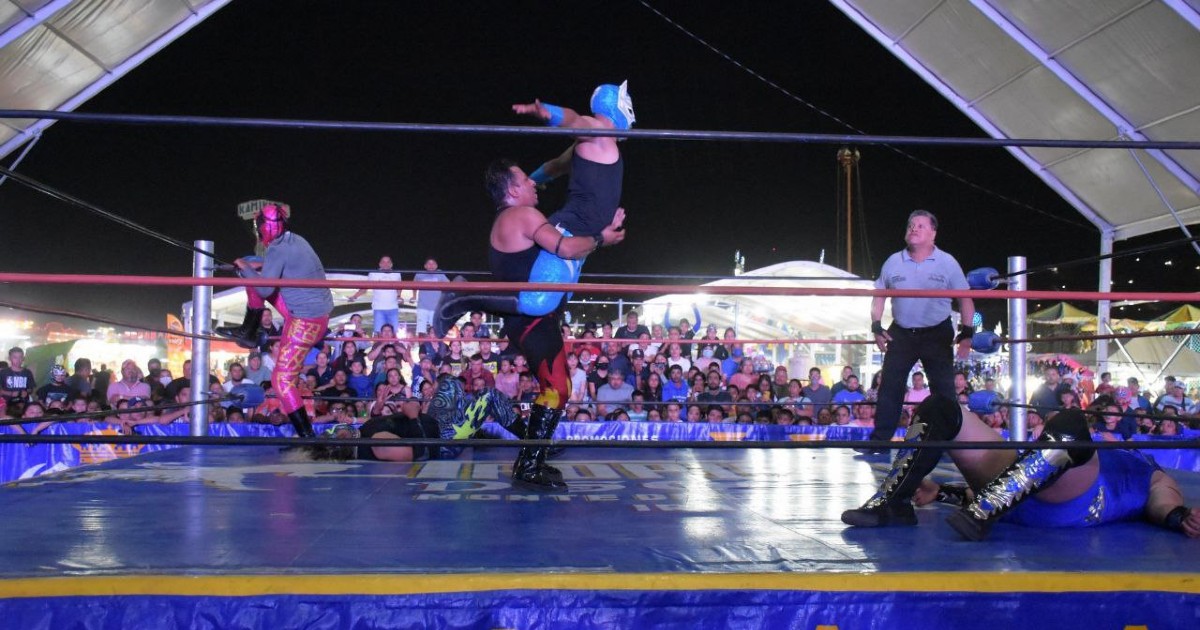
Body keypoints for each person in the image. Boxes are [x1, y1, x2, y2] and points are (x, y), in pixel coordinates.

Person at [841, 395, 1199, 541]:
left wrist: (1178, 515)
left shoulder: (1148, 467)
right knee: (941, 408)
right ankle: (893, 504)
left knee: (1070, 427)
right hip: (1014, 484)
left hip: (1071, 499)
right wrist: (943, 492)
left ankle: (986, 509)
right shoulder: (1122, 451)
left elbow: (1162, 498)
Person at [214, 203, 334, 442]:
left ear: (262, 229)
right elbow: (278, 269)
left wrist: (243, 267)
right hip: (314, 312)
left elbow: (265, 286)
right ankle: (248, 331)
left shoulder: (278, 250)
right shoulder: (296, 240)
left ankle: (309, 441)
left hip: (305, 320)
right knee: (251, 270)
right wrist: (252, 267)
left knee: (281, 381)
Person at [867, 210, 974, 455]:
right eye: (911, 225)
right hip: (901, 332)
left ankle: (947, 444)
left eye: (920, 226)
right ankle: (880, 441)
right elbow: (879, 296)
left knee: (944, 390)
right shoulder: (893, 261)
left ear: (933, 233)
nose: (913, 228)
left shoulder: (947, 262)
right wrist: (876, 327)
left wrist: (967, 333)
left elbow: (966, 299)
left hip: (937, 333)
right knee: (890, 386)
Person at [348, 255, 402, 333]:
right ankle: (379, 345)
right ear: (380, 264)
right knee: (378, 331)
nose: (386, 264)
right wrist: (355, 296)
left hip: (393, 307)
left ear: (391, 264)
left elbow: (399, 287)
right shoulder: (373, 274)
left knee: (394, 332)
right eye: (383, 262)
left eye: (388, 262)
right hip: (378, 307)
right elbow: (365, 288)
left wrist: (399, 296)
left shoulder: (397, 274)